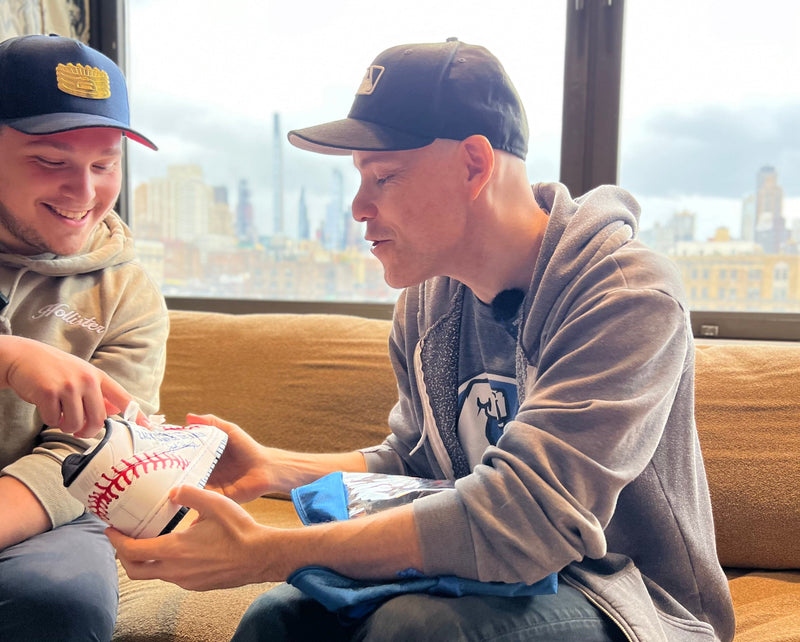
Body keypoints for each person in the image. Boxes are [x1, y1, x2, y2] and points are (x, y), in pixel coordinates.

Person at [109, 38, 735, 641]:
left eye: (384, 177)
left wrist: (265, 552)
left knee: (417, 630)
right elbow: (418, 464)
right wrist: (278, 469)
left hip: (627, 598)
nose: (357, 207)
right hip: (483, 577)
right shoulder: (429, 299)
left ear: (473, 164)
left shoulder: (624, 293)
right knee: (280, 621)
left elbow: (528, 523)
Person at [0, 34, 168, 641]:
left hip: (45, 508)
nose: (85, 192)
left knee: (58, 603)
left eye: (105, 165)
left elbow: (85, 454)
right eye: (50, 161)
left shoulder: (127, 294)